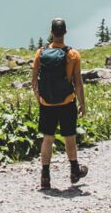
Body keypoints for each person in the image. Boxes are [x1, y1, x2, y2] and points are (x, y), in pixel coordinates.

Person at [31, 17, 87, 191]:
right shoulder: (73, 55)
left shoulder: (41, 53)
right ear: (65, 32)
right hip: (67, 102)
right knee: (70, 138)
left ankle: (45, 176)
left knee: (48, 138)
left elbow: (34, 81)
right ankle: (74, 171)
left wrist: (40, 99)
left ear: (51, 32)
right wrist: (82, 103)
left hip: (46, 104)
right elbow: (78, 82)